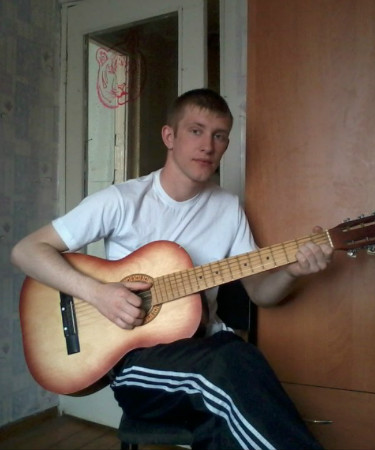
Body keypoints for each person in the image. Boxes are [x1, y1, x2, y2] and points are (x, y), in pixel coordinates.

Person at [11, 88, 333, 450]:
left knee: (239, 365)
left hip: (210, 346)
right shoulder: (122, 200)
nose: (208, 146)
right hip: (137, 360)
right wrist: (98, 294)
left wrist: (291, 272)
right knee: (226, 375)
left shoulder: (228, 208)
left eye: (219, 136)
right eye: (196, 131)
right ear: (169, 136)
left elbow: (260, 293)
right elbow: (26, 251)